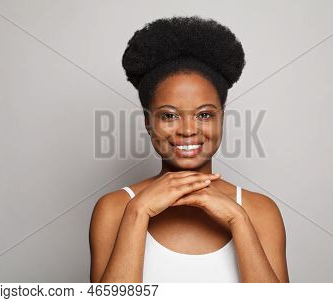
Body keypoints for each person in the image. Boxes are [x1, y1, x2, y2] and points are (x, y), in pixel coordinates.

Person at [89, 15, 289, 283]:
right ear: (149, 122)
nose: (187, 130)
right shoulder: (115, 209)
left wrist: (237, 219)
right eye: (169, 116)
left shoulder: (259, 211)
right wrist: (139, 212)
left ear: (222, 118)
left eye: (204, 115)